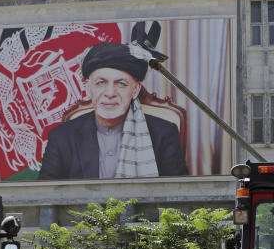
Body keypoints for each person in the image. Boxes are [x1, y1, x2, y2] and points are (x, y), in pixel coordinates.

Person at [38, 42, 188, 180]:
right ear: (89, 88)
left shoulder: (164, 134)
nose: (110, 93)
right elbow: (45, 197)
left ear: (135, 90)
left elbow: (178, 197)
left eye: (121, 84)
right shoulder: (61, 137)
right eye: (101, 83)